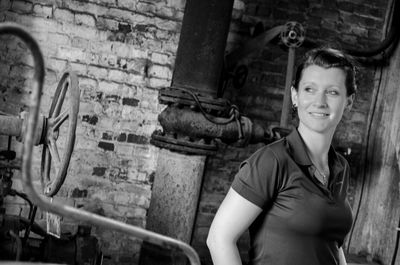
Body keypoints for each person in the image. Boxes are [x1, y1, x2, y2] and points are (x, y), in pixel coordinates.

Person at [206, 47, 357, 265]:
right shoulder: (272, 161)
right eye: (309, 89)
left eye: (332, 92)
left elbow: (332, 243)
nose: (320, 101)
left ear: (349, 101)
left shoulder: (340, 166)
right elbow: (219, 238)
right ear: (295, 96)